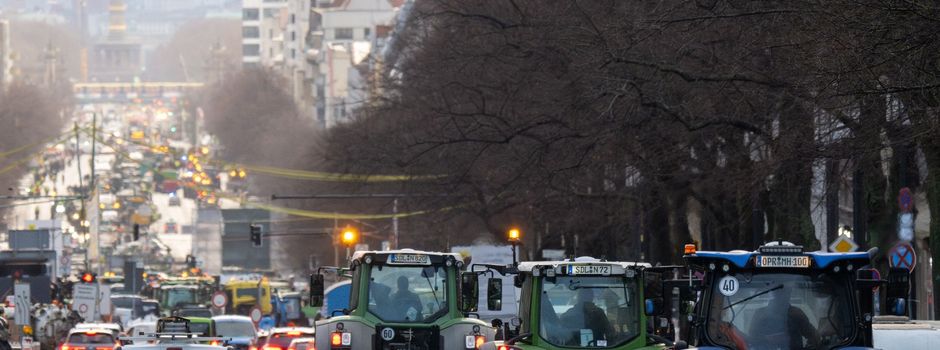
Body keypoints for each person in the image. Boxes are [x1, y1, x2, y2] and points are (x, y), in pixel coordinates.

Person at [748, 286, 819, 349]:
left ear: (789, 294)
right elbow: (752, 340)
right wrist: (768, 339)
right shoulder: (761, 314)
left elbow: (814, 336)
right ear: (774, 293)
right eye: (780, 292)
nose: (783, 295)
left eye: (786, 292)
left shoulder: (796, 313)